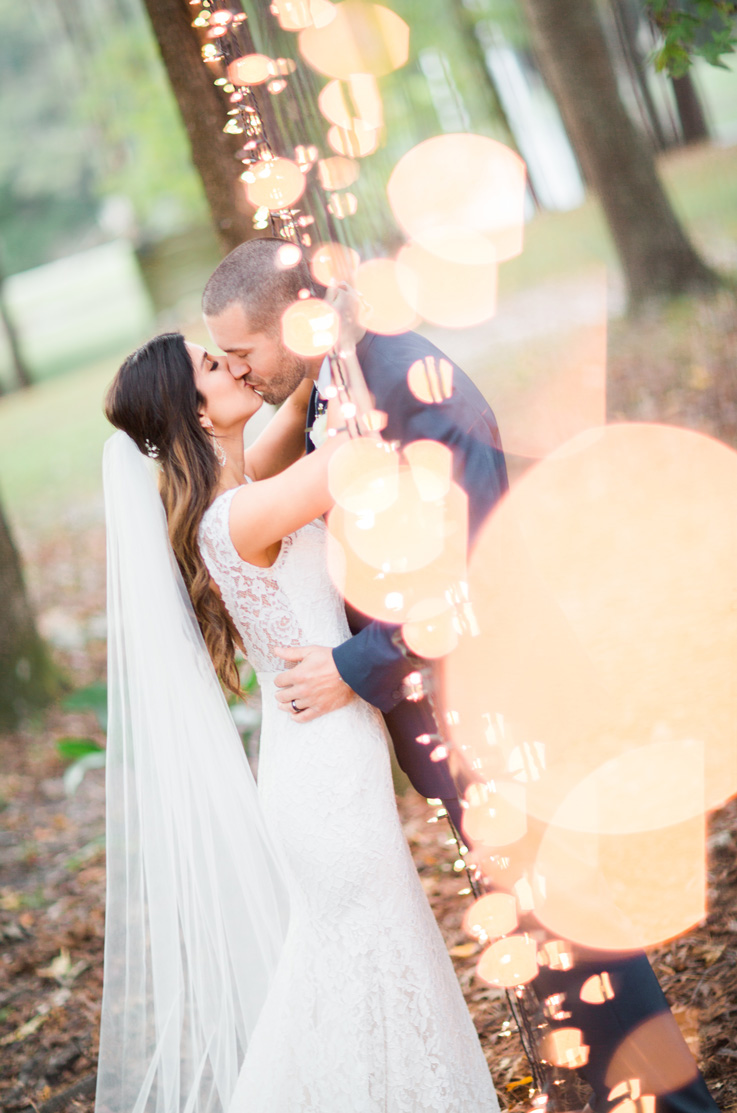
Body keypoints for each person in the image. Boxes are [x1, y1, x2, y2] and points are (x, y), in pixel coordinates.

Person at [201, 237, 721, 1113]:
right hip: (451, 722)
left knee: (580, 941)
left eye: (244, 352)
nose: (243, 373)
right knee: (550, 951)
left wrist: (351, 665)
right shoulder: (336, 383)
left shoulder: (405, 382)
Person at [98, 330, 499, 1113]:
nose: (232, 364)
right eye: (212, 366)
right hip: (324, 783)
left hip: (320, 760)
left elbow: (306, 395)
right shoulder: (242, 512)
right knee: (374, 972)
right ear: (192, 410)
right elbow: (357, 447)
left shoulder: (245, 484)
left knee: (359, 971)